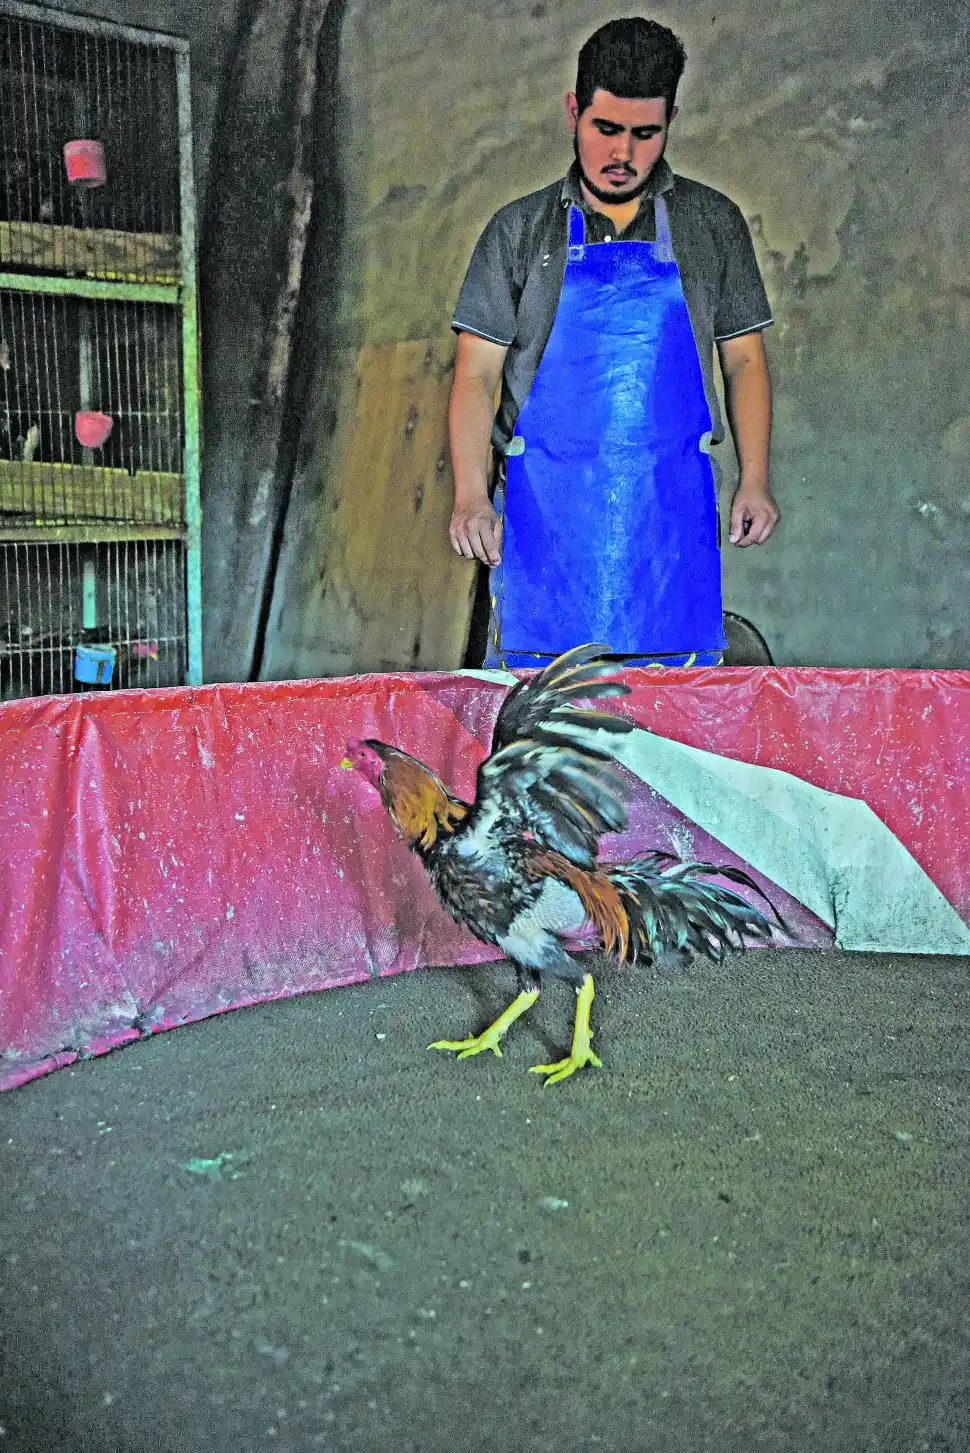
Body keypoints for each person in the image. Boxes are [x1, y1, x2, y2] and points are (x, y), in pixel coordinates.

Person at [447, 16, 779, 669]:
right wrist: (468, 495)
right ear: (574, 111)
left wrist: (756, 479)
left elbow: (744, 360)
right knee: (538, 738)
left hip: (670, 529)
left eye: (645, 133)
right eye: (606, 129)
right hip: (545, 528)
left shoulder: (712, 224)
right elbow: (475, 376)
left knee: (670, 739)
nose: (623, 153)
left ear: (671, 120)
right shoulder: (520, 232)